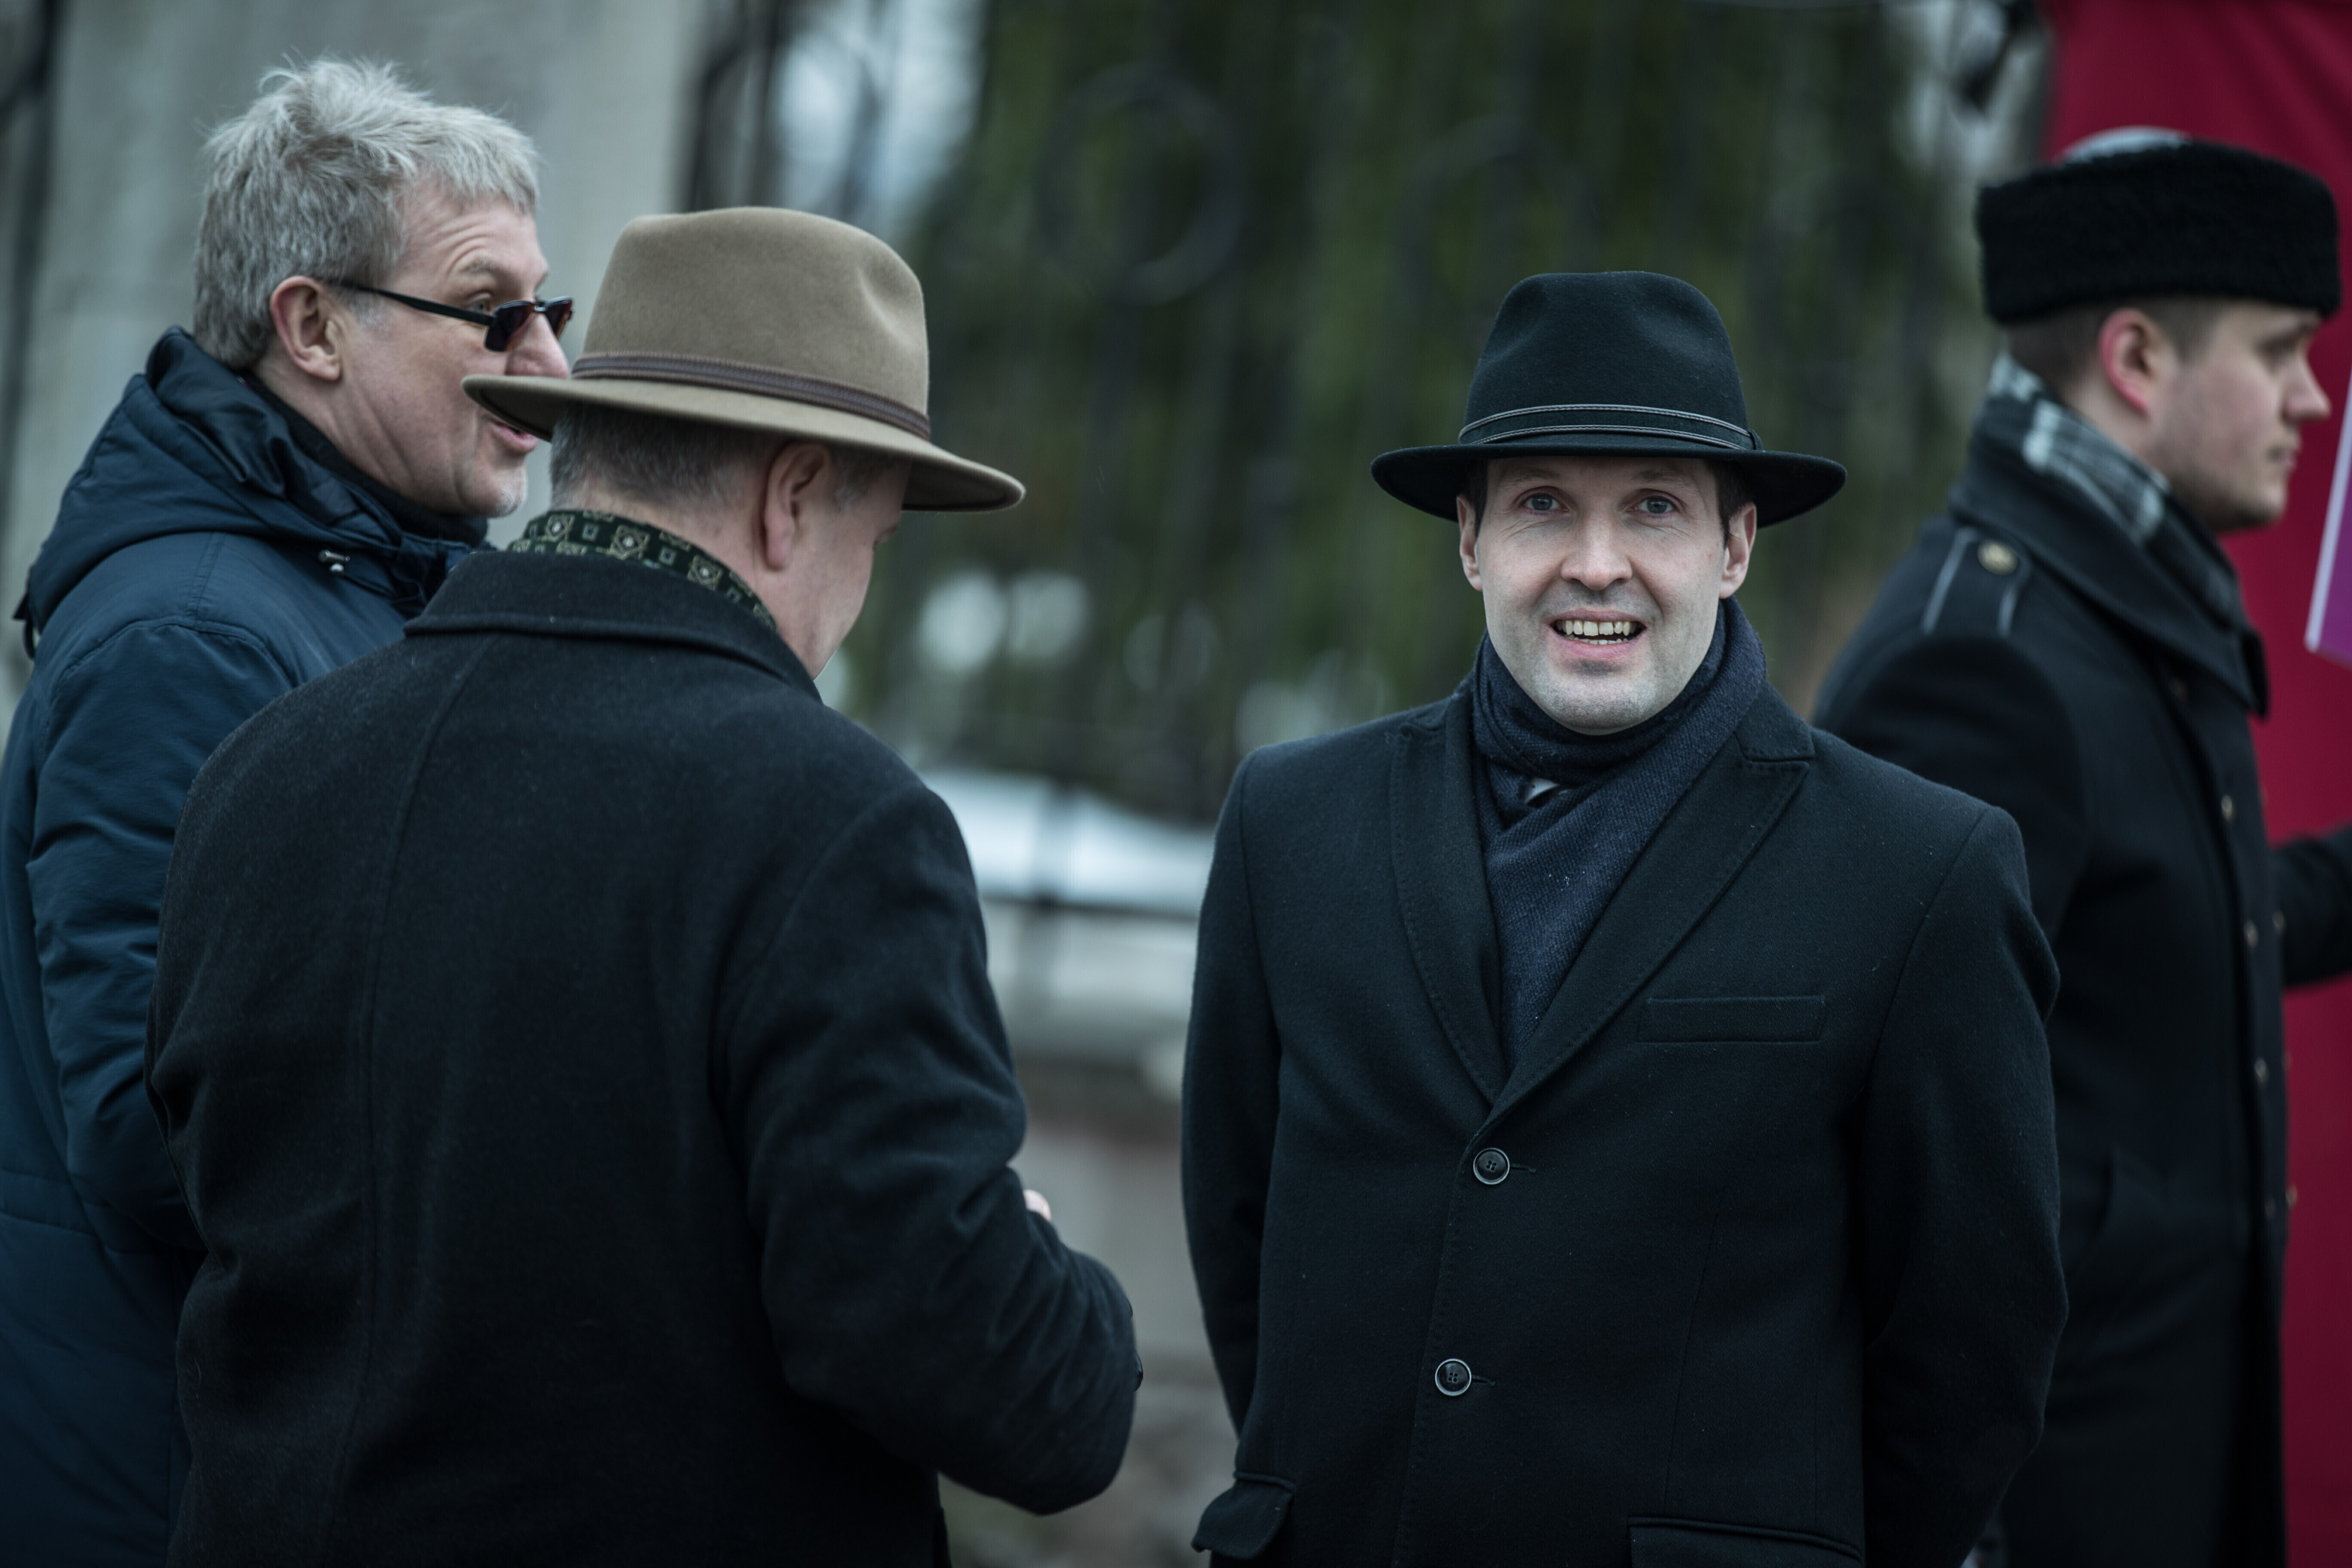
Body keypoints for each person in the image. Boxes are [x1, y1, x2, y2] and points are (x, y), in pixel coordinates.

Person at [144, 208, 1138, 1566]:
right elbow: (989, 1375)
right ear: (794, 498)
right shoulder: (832, 823)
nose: (857, 588)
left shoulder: (265, 767)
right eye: (875, 537)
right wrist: (1058, 1286)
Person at [1181, 270, 2067, 1568]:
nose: (1597, 564)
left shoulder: (1922, 870)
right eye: (1543, 504)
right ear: (1471, 540)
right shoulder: (1290, 825)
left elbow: (1971, 1351)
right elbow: (1239, 1232)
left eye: (1654, 506)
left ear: (1736, 546)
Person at [0, 60, 566, 1563]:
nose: (548, 369)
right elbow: (156, 1125)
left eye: (549, 310)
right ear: (312, 328)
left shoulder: (374, 577)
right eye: (491, 312)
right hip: (150, 1479)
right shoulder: (190, 638)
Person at [1816, 134, 2352, 1568]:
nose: (2314, 397)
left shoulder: (2125, 606)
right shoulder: (1984, 658)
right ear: (2136, 360)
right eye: (2281, 350)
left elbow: (2175, 932)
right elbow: (1858, 1153)